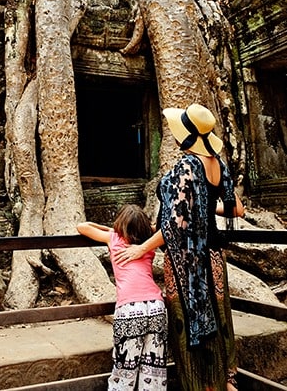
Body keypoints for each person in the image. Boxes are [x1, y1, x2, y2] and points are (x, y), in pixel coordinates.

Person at [115, 103, 245, 391]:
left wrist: (140, 249)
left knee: (187, 326)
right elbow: (238, 208)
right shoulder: (217, 163)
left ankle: (202, 386)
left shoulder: (186, 165)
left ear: (185, 135)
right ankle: (225, 382)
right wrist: (207, 208)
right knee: (218, 317)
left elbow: (175, 224)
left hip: (187, 262)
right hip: (214, 258)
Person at [77, 204, 168, 390]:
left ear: (121, 225)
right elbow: (162, 229)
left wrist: (113, 229)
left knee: (125, 368)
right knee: (154, 369)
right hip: (157, 306)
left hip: (130, 309)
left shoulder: (114, 238)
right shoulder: (149, 242)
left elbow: (83, 226)